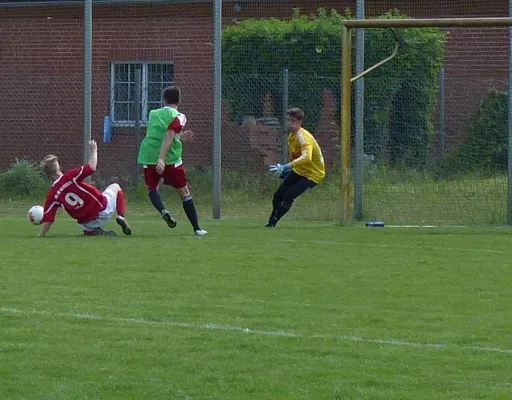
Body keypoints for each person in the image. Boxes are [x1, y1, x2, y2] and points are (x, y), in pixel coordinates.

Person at [137, 85, 207, 236]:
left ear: (164, 100)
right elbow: (169, 135)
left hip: (148, 156)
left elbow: (162, 133)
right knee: (184, 192)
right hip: (170, 159)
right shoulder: (180, 116)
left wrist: (180, 137)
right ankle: (197, 228)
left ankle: (163, 211)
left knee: (152, 188)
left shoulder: (153, 113)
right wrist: (162, 159)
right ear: (178, 101)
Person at [38, 140, 132, 237]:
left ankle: (94, 231)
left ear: (48, 175)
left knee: (87, 231)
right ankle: (121, 216)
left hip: (87, 222)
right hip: (102, 210)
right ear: (59, 168)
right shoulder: (70, 176)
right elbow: (92, 167)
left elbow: (48, 219)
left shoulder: (52, 194)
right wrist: (94, 151)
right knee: (115, 186)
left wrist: (41, 234)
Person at [266, 108, 326, 227]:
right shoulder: (291, 136)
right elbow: (296, 156)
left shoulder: (303, 137)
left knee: (289, 196)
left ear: (299, 122)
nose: (289, 123)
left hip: (312, 175)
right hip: (300, 170)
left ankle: (273, 223)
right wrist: (288, 170)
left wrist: (287, 166)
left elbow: (307, 157)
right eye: (288, 120)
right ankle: (271, 220)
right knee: (278, 195)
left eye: (292, 121)